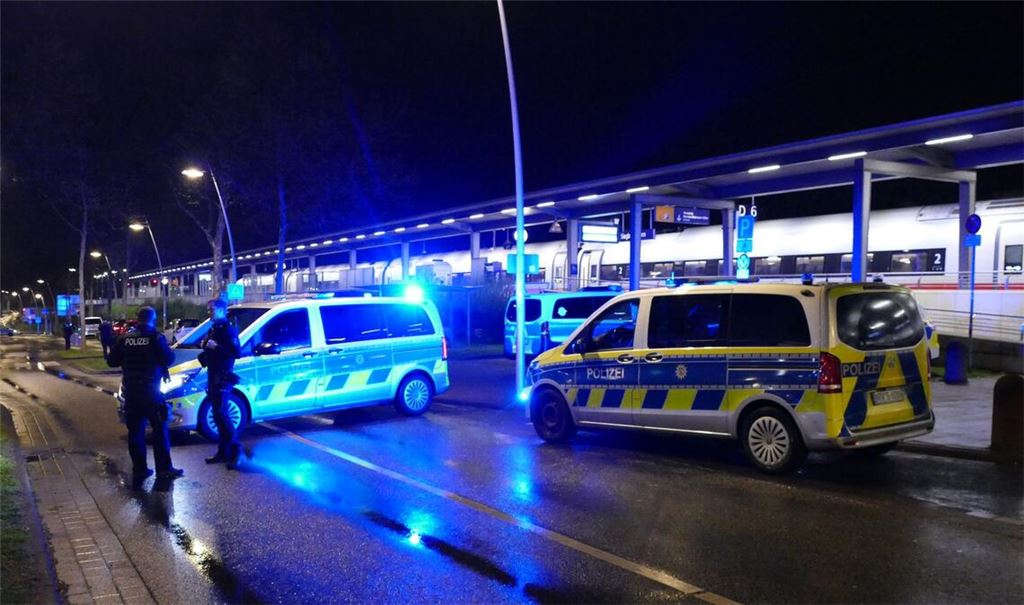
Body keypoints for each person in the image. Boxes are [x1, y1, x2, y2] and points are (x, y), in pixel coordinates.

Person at [107, 307, 183, 481]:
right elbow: (169, 359)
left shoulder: (125, 339)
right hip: (151, 391)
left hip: (131, 392)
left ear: (137, 319)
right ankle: (164, 469)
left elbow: (112, 361)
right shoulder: (156, 338)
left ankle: (140, 469)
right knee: (160, 430)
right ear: (153, 319)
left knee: (135, 432)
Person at [199, 298, 242, 468]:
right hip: (213, 375)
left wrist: (215, 347)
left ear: (221, 310)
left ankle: (235, 451)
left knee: (222, 414)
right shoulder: (214, 329)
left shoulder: (228, 330)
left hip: (223, 377)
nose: (209, 312)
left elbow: (236, 353)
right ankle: (223, 452)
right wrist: (206, 347)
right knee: (217, 415)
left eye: (212, 309)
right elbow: (212, 351)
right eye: (208, 309)